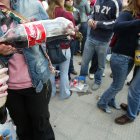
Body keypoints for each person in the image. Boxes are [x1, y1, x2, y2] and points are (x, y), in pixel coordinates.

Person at [0, 0, 55, 140]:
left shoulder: (32, 5)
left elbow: (50, 33)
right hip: (9, 88)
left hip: (36, 82)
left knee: (42, 129)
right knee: (23, 130)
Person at [97, 0, 140, 113]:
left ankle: (111, 100)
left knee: (116, 83)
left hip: (130, 57)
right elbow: (116, 26)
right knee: (118, 85)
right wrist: (137, 22)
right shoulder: (127, 13)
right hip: (120, 56)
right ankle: (102, 102)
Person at [80, 0, 122, 90]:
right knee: (84, 61)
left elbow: (116, 21)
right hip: (91, 37)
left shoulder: (115, 3)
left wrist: (99, 24)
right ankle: (82, 78)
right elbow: (92, 13)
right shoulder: (97, 1)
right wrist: (90, 19)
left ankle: (97, 81)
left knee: (101, 65)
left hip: (104, 40)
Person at [48, 0, 74, 99]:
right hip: (64, 48)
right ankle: (64, 94)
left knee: (50, 73)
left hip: (50, 48)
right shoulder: (66, 14)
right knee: (64, 73)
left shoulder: (47, 12)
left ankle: (51, 93)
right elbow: (72, 34)